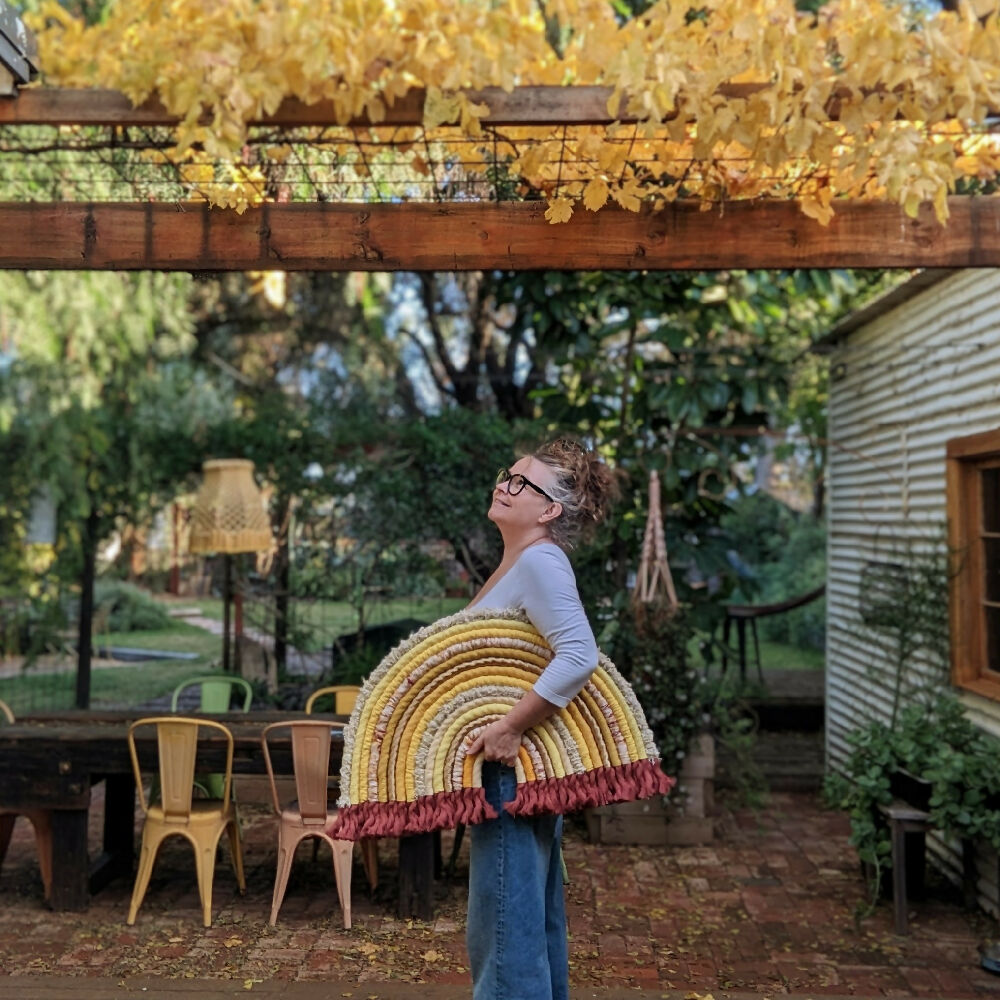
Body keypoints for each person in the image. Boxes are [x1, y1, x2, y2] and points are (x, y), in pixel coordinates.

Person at [463, 437, 619, 1000]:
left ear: (550, 510)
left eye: (520, 483)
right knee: (525, 921)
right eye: (508, 474)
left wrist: (511, 726)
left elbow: (579, 653)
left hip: (511, 768)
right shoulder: (521, 562)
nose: (504, 484)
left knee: (504, 933)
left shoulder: (540, 560)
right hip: (515, 770)